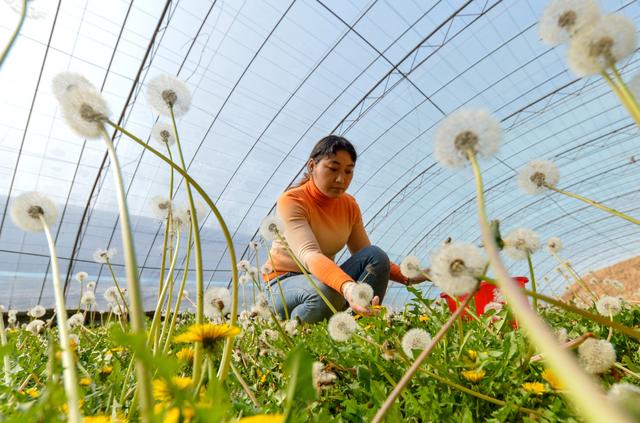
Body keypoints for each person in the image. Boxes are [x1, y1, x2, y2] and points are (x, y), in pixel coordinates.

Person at [263, 135, 429, 323]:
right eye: (333, 169)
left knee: (375, 255)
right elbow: (309, 254)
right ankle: (295, 332)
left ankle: (362, 324)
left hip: (323, 279)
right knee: (326, 292)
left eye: (348, 171)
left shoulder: (349, 205)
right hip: (282, 284)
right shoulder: (292, 200)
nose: (341, 179)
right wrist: (348, 288)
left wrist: (414, 276)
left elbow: (369, 256)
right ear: (311, 166)